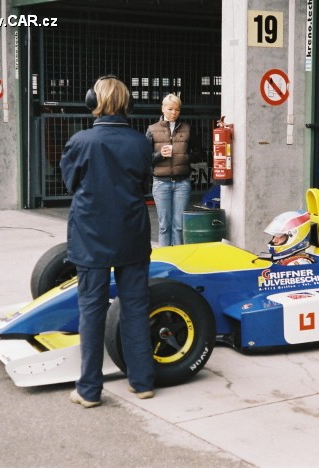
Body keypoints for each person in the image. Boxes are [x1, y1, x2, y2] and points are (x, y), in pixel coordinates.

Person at [60, 76, 155, 408]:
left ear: (93, 102)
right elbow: (144, 184)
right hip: (131, 234)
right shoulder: (142, 143)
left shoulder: (81, 141)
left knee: (92, 311)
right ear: (128, 104)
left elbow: (71, 183)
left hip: (91, 237)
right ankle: (142, 381)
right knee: (136, 308)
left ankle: (89, 390)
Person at [146, 94, 197, 246]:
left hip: (182, 183)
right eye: (170, 109)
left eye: (177, 110)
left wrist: (185, 157)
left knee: (179, 226)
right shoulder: (152, 129)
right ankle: (165, 260)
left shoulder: (187, 129)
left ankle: (178, 260)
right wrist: (159, 155)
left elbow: (199, 152)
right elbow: (145, 157)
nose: (173, 112)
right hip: (161, 182)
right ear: (163, 109)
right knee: (164, 226)